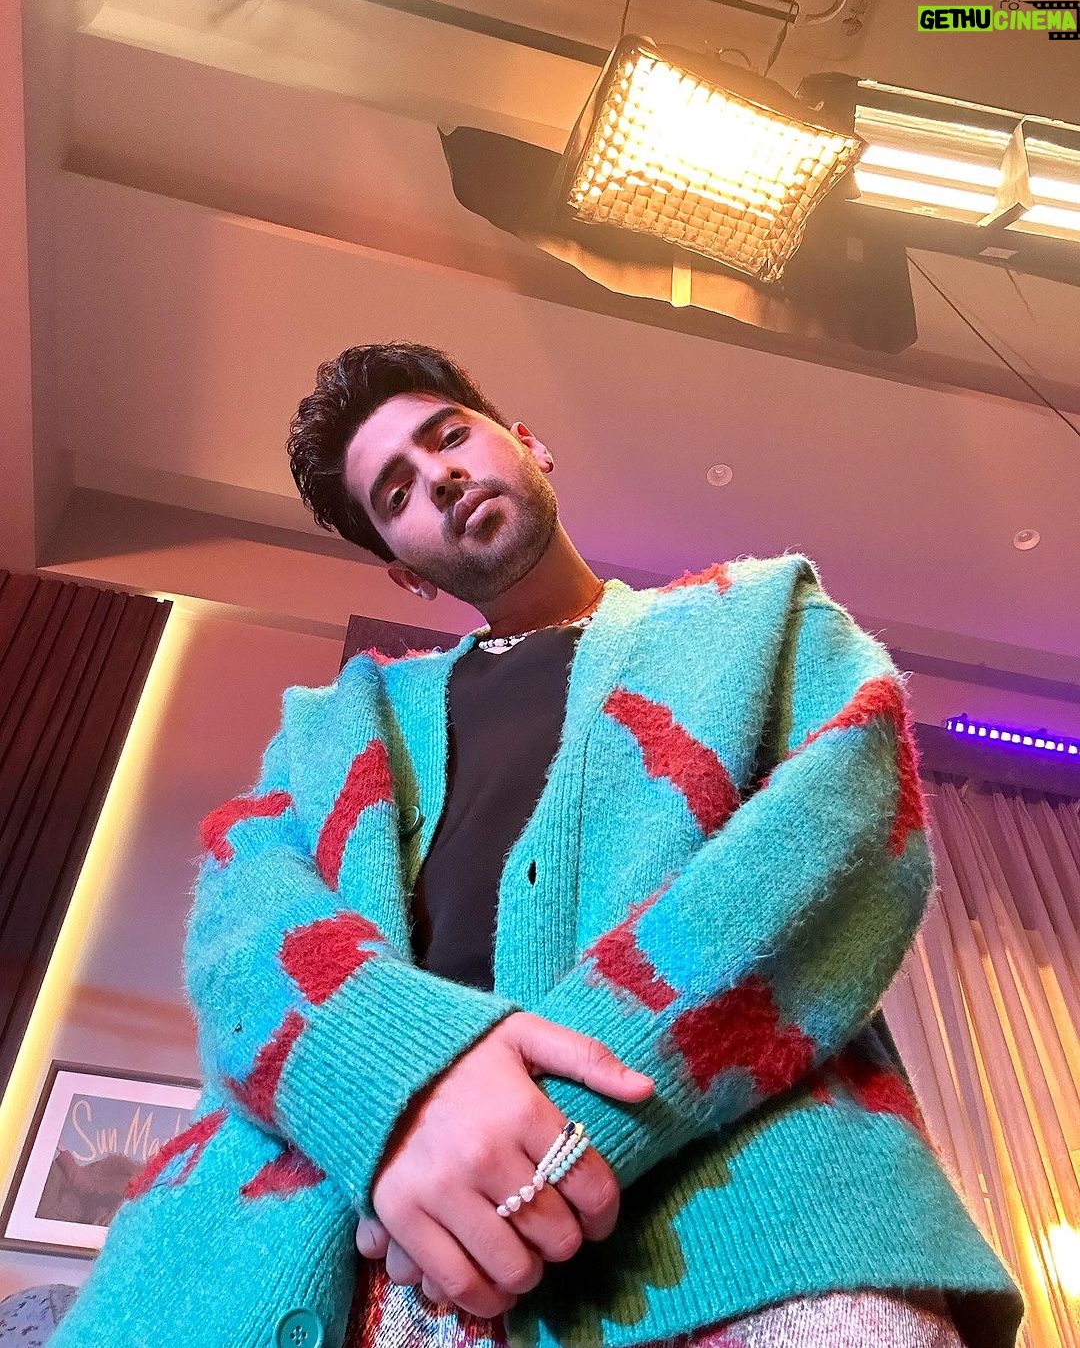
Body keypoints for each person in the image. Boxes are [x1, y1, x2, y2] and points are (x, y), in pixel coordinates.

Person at [48, 343, 1025, 1348]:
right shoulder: (336, 722)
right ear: (404, 571)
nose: (439, 477)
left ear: (528, 444)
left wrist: (546, 1131)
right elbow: (239, 921)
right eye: (397, 493)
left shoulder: (763, 616)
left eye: (447, 436)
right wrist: (393, 1086)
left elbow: (840, 833)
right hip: (373, 1250)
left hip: (757, 1225)